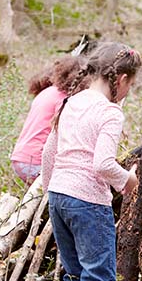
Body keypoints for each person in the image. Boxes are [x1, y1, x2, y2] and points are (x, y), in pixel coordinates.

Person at [41, 42, 142, 281]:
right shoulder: (109, 112)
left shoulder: (71, 101)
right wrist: (126, 180)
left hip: (59, 195)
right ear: (122, 79)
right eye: (130, 84)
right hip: (88, 201)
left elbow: (48, 153)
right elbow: (102, 163)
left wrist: (52, 191)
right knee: (99, 280)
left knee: (75, 278)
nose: (128, 91)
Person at [10, 55, 89, 185]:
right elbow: (68, 135)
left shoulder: (48, 91)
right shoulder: (64, 100)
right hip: (36, 161)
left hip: (21, 157)